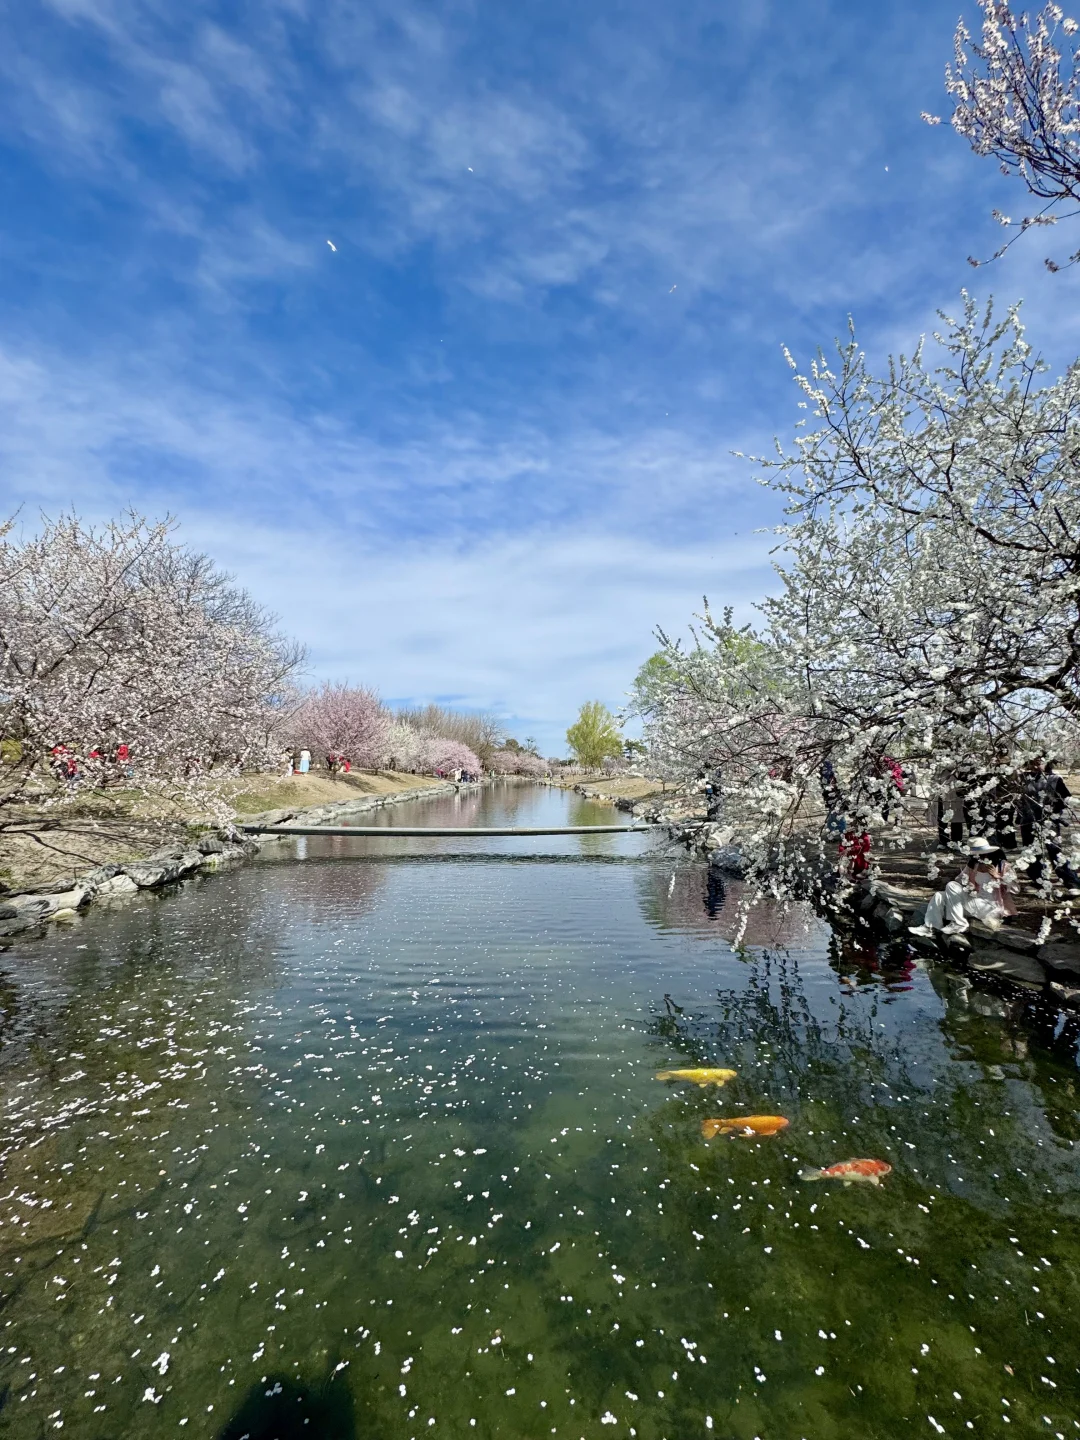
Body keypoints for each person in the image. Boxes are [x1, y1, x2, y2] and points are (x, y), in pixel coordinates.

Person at [909, 836, 1017, 938]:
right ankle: (931, 926)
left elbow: (1016, 889)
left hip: (990, 907)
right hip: (973, 902)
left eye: (982, 855)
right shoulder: (973, 865)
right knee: (939, 895)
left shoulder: (1002, 865)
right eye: (976, 855)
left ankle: (959, 923)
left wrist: (998, 876)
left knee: (951, 886)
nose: (979, 858)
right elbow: (958, 881)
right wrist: (966, 885)